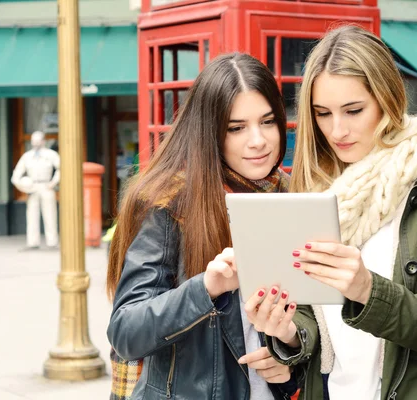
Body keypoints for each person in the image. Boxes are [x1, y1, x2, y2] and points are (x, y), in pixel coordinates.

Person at [242, 25, 417, 400]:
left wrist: (367, 289)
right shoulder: (319, 187)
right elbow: (313, 318)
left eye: (353, 110)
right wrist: (284, 332)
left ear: (389, 98)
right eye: (322, 113)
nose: (337, 130)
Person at [106, 53, 299, 400]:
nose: (258, 141)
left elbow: (312, 322)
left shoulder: (293, 196)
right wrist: (206, 288)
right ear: (209, 132)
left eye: (267, 122)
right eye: (236, 128)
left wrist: (289, 356)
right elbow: (126, 331)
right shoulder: (169, 203)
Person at [11, 130, 60, 250]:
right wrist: (23, 186)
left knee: (50, 214)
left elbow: (61, 168)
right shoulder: (27, 156)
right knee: (32, 215)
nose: (36, 143)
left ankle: (52, 242)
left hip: (46, 186)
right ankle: (32, 242)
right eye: (34, 141)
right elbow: (16, 175)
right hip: (32, 188)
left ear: (43, 141)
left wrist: (53, 183)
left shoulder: (51, 154)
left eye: (38, 140)